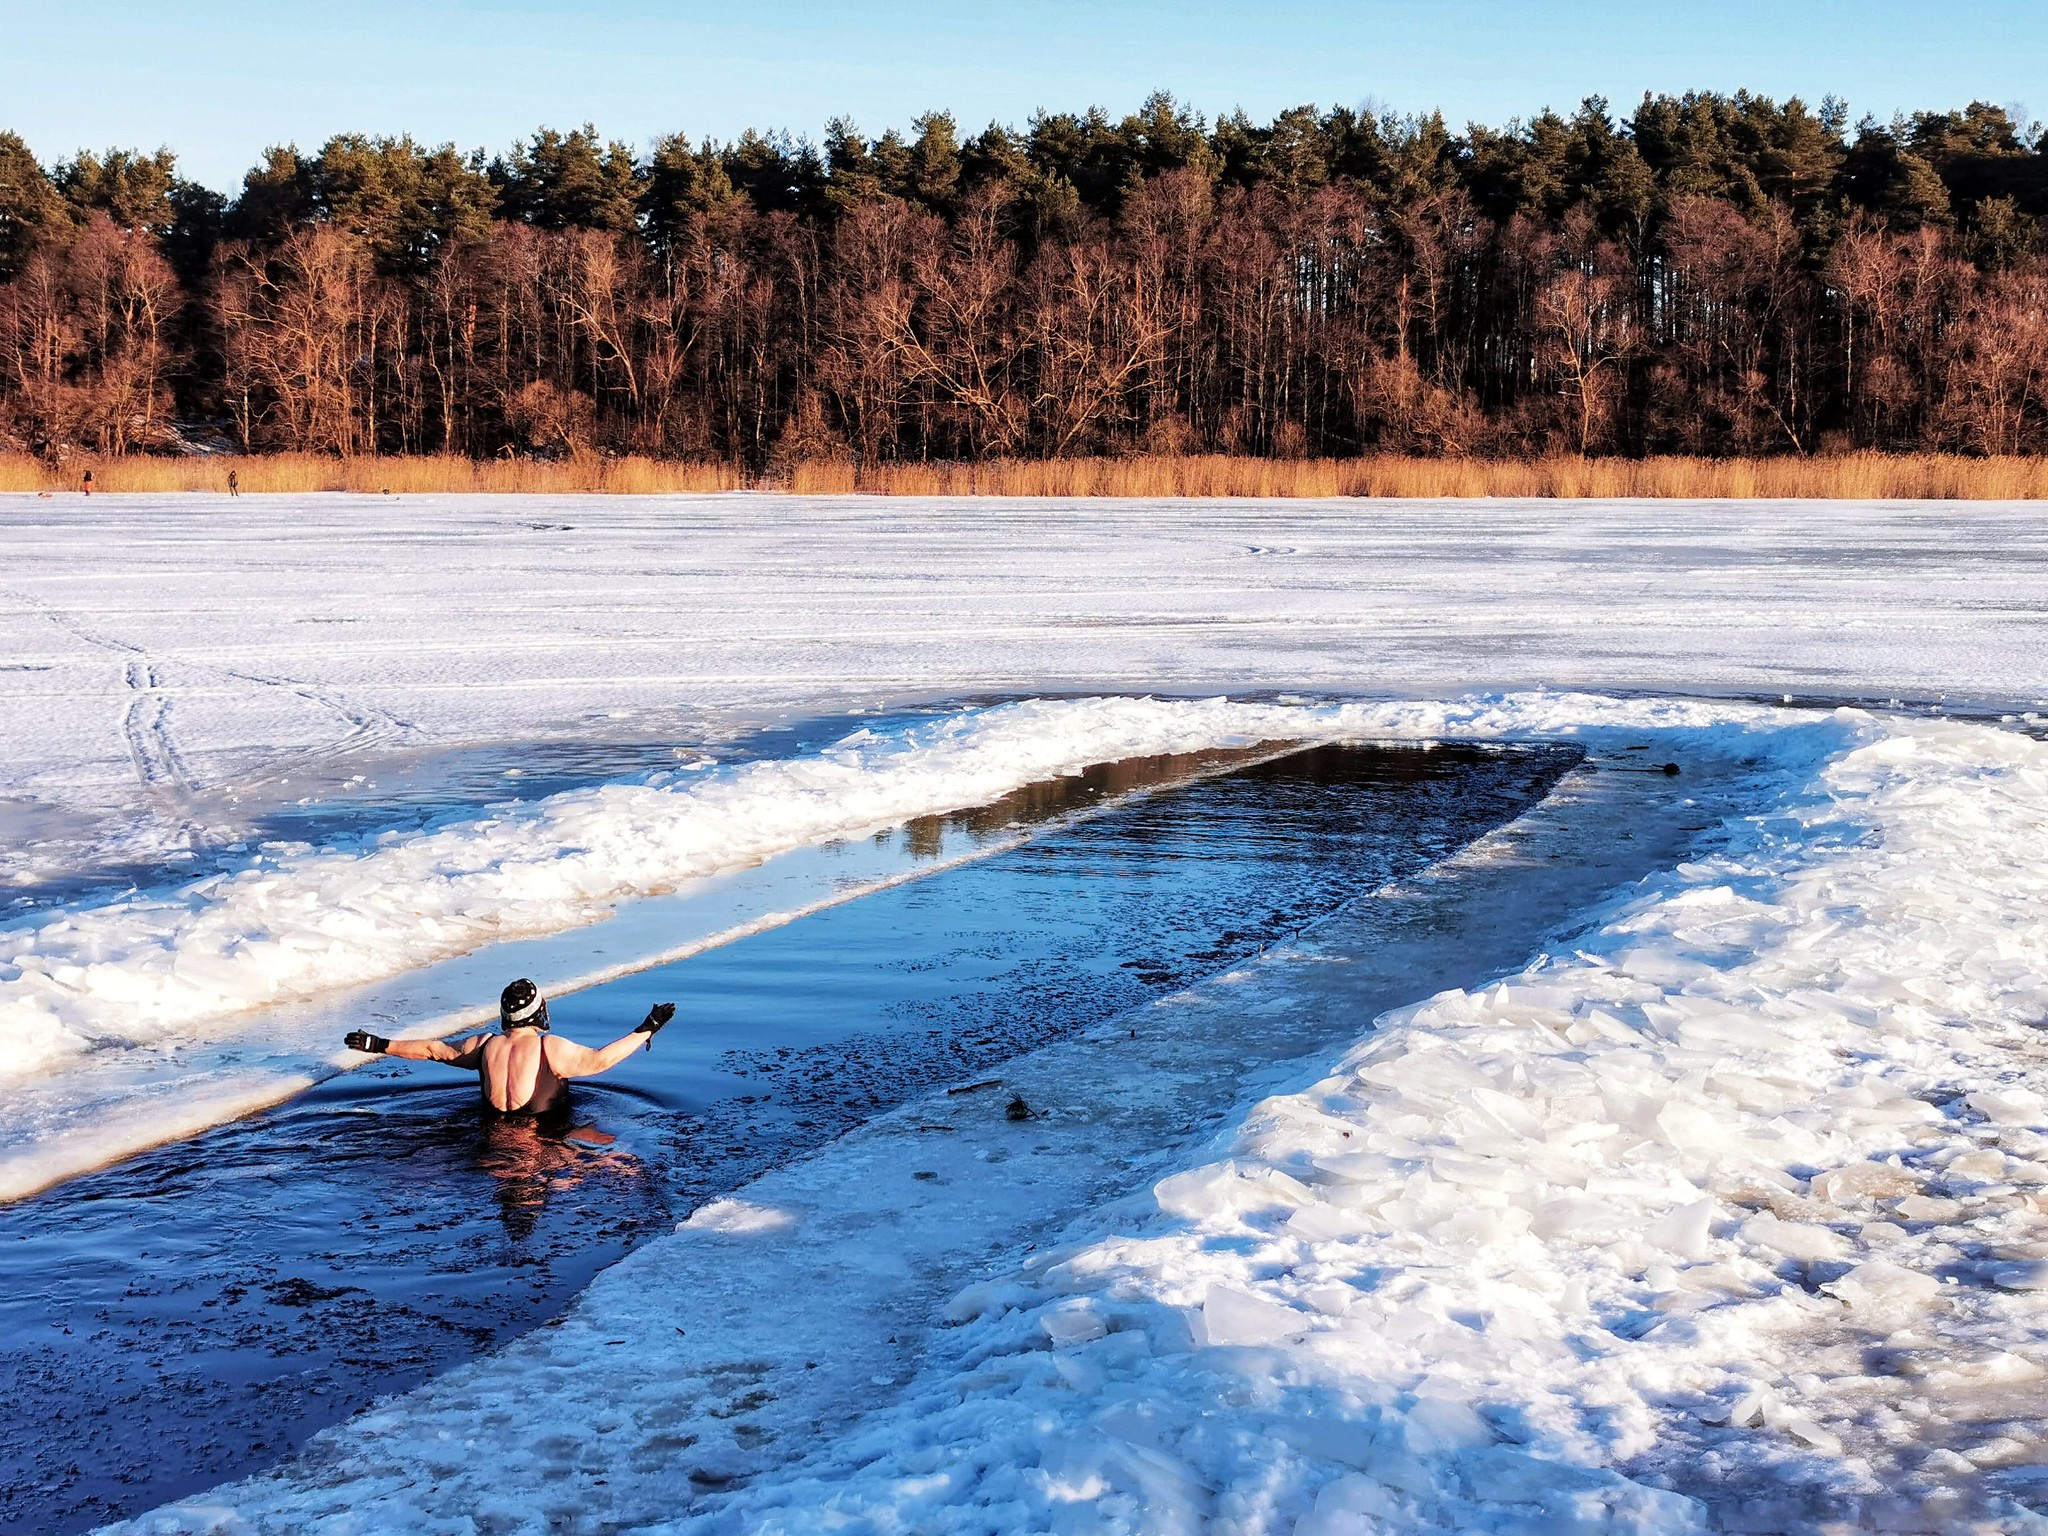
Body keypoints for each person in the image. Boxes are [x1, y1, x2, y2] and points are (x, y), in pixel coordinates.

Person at [344, 979, 674, 1114]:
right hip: (543, 1149)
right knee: (612, 1154)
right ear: (539, 1012)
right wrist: (648, 1028)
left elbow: (432, 1049)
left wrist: (378, 1043)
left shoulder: (484, 1046)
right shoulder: (550, 1049)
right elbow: (601, 1061)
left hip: (490, 1141)